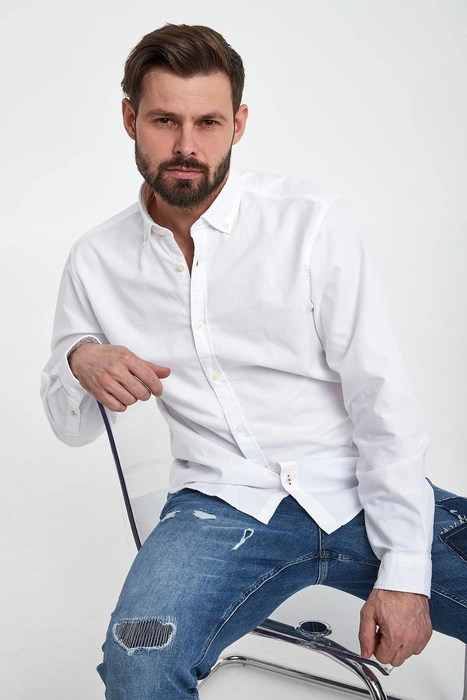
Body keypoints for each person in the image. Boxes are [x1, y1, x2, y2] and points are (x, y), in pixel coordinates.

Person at [41, 23, 466, 699]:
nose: (186, 146)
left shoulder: (310, 223)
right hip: (217, 508)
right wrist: (78, 359)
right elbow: (70, 425)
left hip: (355, 490)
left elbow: (379, 398)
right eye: (164, 121)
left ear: (238, 124)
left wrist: (405, 572)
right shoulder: (96, 260)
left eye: (208, 122)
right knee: (138, 663)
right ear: (129, 119)